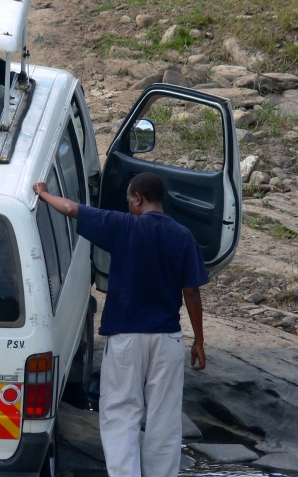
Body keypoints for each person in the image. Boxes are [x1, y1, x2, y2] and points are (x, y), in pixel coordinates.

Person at [32, 173, 207, 477]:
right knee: (165, 417)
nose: (128, 206)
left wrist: (44, 193)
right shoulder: (183, 236)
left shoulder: (123, 226)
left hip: (126, 338)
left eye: (129, 200)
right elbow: (191, 291)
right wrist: (199, 341)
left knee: (121, 411)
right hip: (168, 339)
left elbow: (70, 208)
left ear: (138, 198)